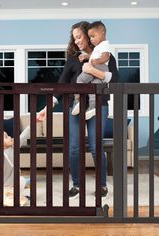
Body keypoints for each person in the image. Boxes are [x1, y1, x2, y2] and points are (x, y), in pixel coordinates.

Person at [36, 21, 119, 198]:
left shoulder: (106, 56)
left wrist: (92, 69)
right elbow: (61, 86)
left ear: (90, 36)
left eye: (80, 37)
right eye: (75, 39)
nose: (77, 41)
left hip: (98, 105)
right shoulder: (74, 59)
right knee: (74, 148)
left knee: (96, 147)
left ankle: (102, 186)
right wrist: (46, 108)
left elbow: (116, 81)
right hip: (76, 107)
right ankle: (77, 185)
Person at [72, 21, 111, 118]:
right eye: (90, 37)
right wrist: (87, 57)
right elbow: (95, 55)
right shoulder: (99, 47)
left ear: (102, 33)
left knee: (80, 79)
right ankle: (93, 106)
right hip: (101, 68)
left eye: (93, 36)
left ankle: (79, 100)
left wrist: (95, 62)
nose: (91, 39)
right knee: (94, 87)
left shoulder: (104, 44)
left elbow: (106, 57)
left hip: (99, 66)